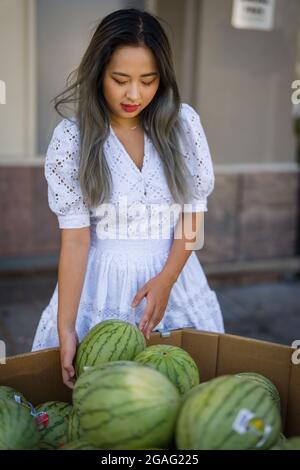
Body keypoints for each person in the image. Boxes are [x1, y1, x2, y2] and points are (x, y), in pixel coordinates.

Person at [31, 8, 224, 388]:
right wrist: (66, 327)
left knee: (181, 393)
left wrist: (167, 279)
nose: (134, 94)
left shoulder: (183, 125)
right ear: (98, 73)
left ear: (162, 79)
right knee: (104, 399)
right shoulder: (74, 138)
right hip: (99, 282)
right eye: (120, 80)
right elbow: (75, 238)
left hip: (175, 273)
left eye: (148, 81)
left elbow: (193, 215)